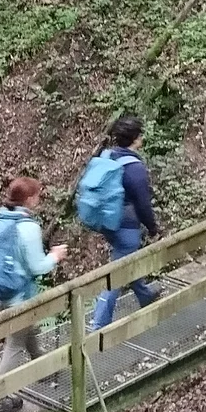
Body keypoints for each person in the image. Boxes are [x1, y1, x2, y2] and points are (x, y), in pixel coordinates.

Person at [0, 177, 67, 412]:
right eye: (38, 195)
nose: (40, 199)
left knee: (26, 331)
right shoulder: (27, 227)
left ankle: (43, 368)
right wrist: (55, 256)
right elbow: (37, 266)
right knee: (15, 343)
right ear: (29, 199)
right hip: (18, 295)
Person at [83, 114, 163, 330]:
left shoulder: (109, 155)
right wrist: (153, 228)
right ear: (136, 138)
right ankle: (99, 324)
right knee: (116, 274)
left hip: (109, 223)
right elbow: (143, 204)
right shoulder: (134, 167)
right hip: (127, 227)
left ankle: (145, 294)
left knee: (126, 258)